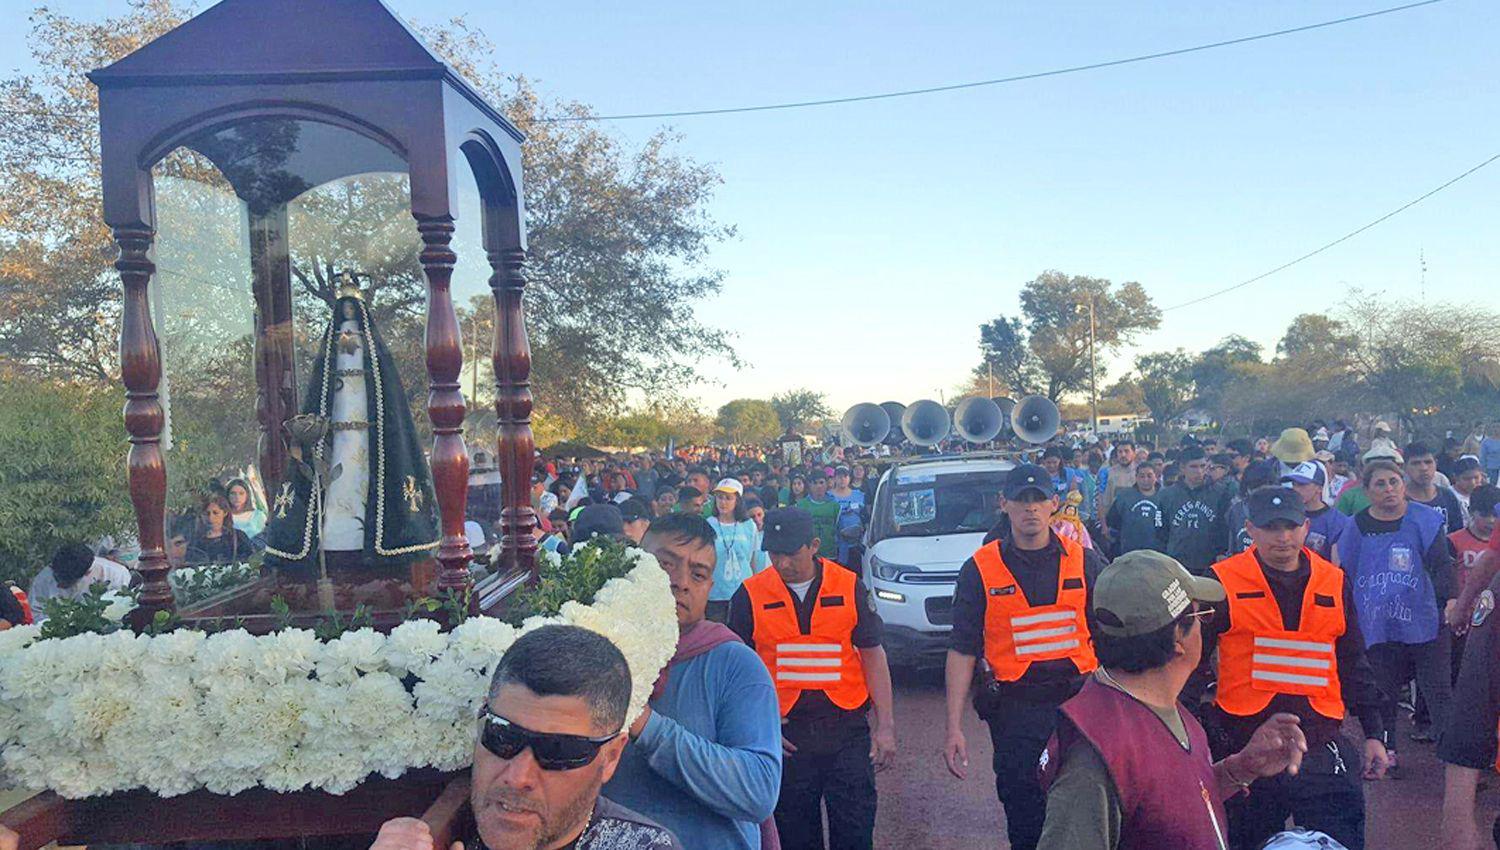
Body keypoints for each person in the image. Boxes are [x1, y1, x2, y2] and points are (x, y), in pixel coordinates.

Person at [1036, 550, 1310, 850]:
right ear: (1178, 641)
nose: (1205, 627)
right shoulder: (1093, 756)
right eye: (1199, 615)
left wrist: (1239, 769)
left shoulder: (1159, 703)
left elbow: (1162, 807)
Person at [371, 625, 683, 850]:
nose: (517, 777)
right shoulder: (445, 826)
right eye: (502, 736)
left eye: (557, 750)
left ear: (611, 757)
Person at [1195, 487, 1388, 850]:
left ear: (1306, 527)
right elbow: (1191, 666)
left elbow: (1352, 660)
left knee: (1340, 839)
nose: (1282, 537)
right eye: (1270, 527)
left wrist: (1375, 732)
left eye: (1290, 526)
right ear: (1250, 529)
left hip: (1320, 741)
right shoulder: (1220, 581)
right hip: (1244, 745)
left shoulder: (1334, 580)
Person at [943, 464, 1107, 850]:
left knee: (1087, 812)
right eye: (1021, 500)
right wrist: (953, 727)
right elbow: (962, 649)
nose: (1030, 508)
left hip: (1080, 706)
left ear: (1054, 503)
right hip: (1016, 713)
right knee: (1025, 814)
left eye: (1038, 499)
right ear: (1004, 504)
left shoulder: (1084, 561)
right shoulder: (979, 569)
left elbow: (1110, 638)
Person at [603, 514, 782, 850]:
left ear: (709, 588)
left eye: (698, 574)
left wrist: (647, 726)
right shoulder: (597, 651)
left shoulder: (736, 665)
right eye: (665, 565)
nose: (681, 582)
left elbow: (758, 790)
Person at [728, 508, 896, 850]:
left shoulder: (848, 585)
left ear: (814, 545)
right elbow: (734, 671)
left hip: (846, 730)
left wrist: (886, 726)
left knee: (855, 830)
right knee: (794, 836)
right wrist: (757, 726)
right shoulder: (749, 594)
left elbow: (873, 655)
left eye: (791, 553)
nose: (782, 562)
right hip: (786, 739)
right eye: (774, 553)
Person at [1337, 459, 1455, 769]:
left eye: (1393, 481)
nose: (1389, 489)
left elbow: (1442, 564)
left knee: (1439, 691)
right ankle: (1387, 752)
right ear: (1367, 491)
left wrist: (1450, 602)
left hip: (1426, 620)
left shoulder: (1425, 519)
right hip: (1379, 624)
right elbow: (1346, 574)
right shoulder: (1356, 526)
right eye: (1380, 484)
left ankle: (1455, 758)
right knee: (1383, 693)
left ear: (1402, 484)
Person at [1156, 446, 1235, 575]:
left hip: (1210, 562)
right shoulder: (1166, 495)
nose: (1199, 471)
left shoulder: (1220, 493)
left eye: (1203, 466)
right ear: (1182, 468)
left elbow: (1224, 526)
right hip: (1177, 562)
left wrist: (1221, 551)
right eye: (1193, 466)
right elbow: (1160, 528)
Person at [707, 479, 770, 623]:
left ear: (738, 501)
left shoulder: (748, 526)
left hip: (744, 590)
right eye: (720, 497)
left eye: (728, 498)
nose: (723, 502)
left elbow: (754, 559)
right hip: (716, 593)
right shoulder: (709, 524)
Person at [28, 542, 132, 623]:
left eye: (66, 581)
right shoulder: (43, 579)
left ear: (88, 572)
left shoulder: (117, 575)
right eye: (57, 578)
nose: (59, 585)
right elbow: (35, 614)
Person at [1282, 461, 1354, 564]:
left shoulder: (1337, 522)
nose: (1295, 489)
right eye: (1294, 484)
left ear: (1319, 488)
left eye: (1302, 485)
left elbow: (1337, 565)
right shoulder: (1285, 516)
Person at [1404, 442, 1466, 534]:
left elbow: (1457, 535)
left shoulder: (1448, 496)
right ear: (1405, 467)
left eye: (1428, 462)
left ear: (1436, 464)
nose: (1424, 468)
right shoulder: (1399, 499)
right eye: (1416, 463)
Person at [1104, 461, 1163, 555]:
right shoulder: (1124, 497)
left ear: (1156, 477)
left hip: (1158, 552)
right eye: (1142, 476)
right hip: (1129, 551)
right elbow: (1112, 521)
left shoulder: (1165, 497)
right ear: (1136, 478)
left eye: (1149, 476)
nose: (1145, 479)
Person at [187, 494, 254, 565]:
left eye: (215, 513)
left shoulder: (238, 537)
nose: (211, 518)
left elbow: (251, 561)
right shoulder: (195, 540)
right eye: (207, 513)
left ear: (225, 513)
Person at [794, 471, 840, 561]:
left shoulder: (836, 506)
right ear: (809, 485)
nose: (819, 486)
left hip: (830, 554)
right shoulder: (800, 505)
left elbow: (839, 531)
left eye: (821, 482)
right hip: (808, 555)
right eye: (815, 483)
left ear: (827, 484)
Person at [828, 466, 866, 564]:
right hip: (836, 546)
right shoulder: (828, 496)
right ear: (835, 478)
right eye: (839, 476)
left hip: (857, 544)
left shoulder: (859, 495)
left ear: (849, 478)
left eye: (845, 476)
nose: (842, 479)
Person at [225, 477, 268, 541]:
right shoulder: (222, 516)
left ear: (247, 495)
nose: (237, 497)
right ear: (227, 495)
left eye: (241, 493)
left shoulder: (258, 516)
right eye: (233, 493)